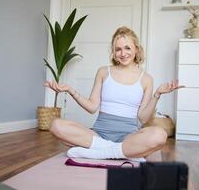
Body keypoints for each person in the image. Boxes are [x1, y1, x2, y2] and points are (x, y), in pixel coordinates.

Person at [43, 26, 184, 161]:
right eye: (118, 49)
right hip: (98, 135)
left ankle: (100, 153)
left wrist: (157, 94)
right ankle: (117, 151)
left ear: (136, 49)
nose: (123, 53)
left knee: (159, 135)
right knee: (56, 125)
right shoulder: (103, 72)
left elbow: (143, 118)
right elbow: (92, 107)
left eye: (127, 48)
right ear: (114, 52)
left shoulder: (146, 79)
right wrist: (70, 90)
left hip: (129, 137)